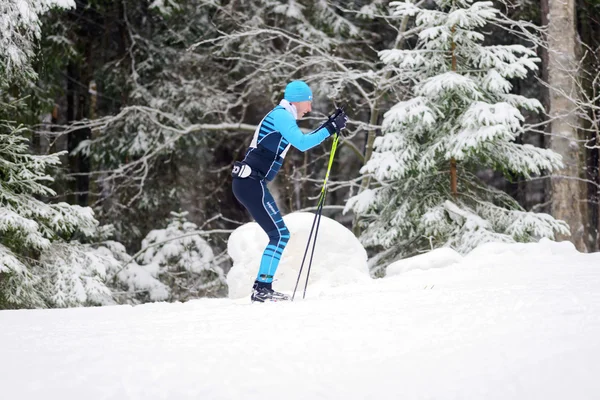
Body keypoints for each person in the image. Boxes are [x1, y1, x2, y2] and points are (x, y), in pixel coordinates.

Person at [231, 80, 348, 302]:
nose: (309, 108)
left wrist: (328, 126)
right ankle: (262, 289)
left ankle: (262, 287)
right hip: (250, 182)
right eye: (308, 103)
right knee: (279, 234)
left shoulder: (283, 116)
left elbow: (300, 139)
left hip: (250, 182)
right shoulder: (282, 115)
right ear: (297, 99)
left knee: (278, 234)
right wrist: (330, 128)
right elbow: (303, 143)